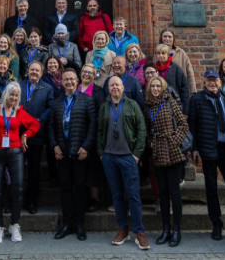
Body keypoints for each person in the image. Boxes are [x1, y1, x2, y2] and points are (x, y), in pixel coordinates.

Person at [0, 83, 41, 244]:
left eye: (16, 95)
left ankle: (15, 224)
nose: (13, 98)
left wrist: (25, 135)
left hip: (15, 153)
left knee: (18, 188)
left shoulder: (19, 111)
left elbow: (35, 125)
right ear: (5, 94)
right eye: (11, 95)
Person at [97, 76, 149, 250]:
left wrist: (136, 154)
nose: (114, 88)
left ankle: (139, 232)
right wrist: (101, 153)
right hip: (109, 157)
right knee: (117, 195)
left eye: (117, 85)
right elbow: (99, 131)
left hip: (128, 157)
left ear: (123, 87)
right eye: (111, 85)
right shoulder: (104, 107)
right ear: (108, 89)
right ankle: (122, 229)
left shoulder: (132, 105)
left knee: (133, 195)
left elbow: (142, 130)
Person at [188, 69, 225, 241]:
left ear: (220, 82)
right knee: (211, 189)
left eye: (215, 81)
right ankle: (216, 224)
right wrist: (194, 148)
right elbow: (192, 126)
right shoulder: (197, 99)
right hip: (208, 148)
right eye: (209, 81)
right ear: (204, 83)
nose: (212, 83)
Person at [50, 67, 96, 241]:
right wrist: (54, 145)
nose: (69, 82)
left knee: (80, 188)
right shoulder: (57, 101)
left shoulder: (87, 100)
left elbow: (93, 125)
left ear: (77, 81)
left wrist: (86, 147)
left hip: (80, 152)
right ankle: (67, 224)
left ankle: (79, 224)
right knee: (65, 188)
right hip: (62, 152)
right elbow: (51, 127)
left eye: (72, 79)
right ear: (62, 82)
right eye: (66, 79)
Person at [143, 76, 189, 247]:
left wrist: (174, 141)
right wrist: (151, 142)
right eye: (152, 86)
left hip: (173, 151)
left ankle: (177, 230)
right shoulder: (147, 106)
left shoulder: (169, 102)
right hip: (158, 151)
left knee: (174, 192)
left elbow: (184, 125)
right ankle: (165, 229)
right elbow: (148, 129)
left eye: (158, 86)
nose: (155, 88)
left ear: (162, 88)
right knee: (162, 192)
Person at [20, 60, 55, 215]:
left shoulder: (47, 88)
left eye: (37, 70)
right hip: (18, 133)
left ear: (41, 73)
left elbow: (50, 107)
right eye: (32, 70)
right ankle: (15, 200)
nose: (34, 72)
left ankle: (31, 201)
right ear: (27, 71)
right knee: (16, 170)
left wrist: (39, 120)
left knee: (34, 171)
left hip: (36, 134)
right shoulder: (19, 85)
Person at [77, 64, 106, 211]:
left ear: (94, 75)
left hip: (92, 131)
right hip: (76, 132)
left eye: (90, 72)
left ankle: (94, 198)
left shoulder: (98, 91)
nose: (87, 74)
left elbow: (100, 112)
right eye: (84, 72)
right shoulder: (75, 88)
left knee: (93, 167)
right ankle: (80, 197)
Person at [160, 28, 197, 94]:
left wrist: (193, 91)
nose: (167, 39)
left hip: (178, 87)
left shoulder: (180, 52)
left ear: (173, 39)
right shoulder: (157, 53)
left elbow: (190, 72)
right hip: (162, 88)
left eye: (169, 37)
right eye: (165, 36)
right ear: (161, 38)